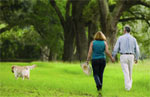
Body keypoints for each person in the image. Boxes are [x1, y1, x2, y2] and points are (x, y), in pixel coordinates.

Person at [112, 25, 140, 91]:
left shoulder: (120, 38)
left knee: (126, 72)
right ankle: (129, 85)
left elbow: (116, 48)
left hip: (123, 56)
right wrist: (137, 58)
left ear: (124, 30)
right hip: (131, 56)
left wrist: (113, 55)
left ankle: (128, 87)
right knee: (130, 71)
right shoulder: (133, 39)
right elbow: (137, 49)